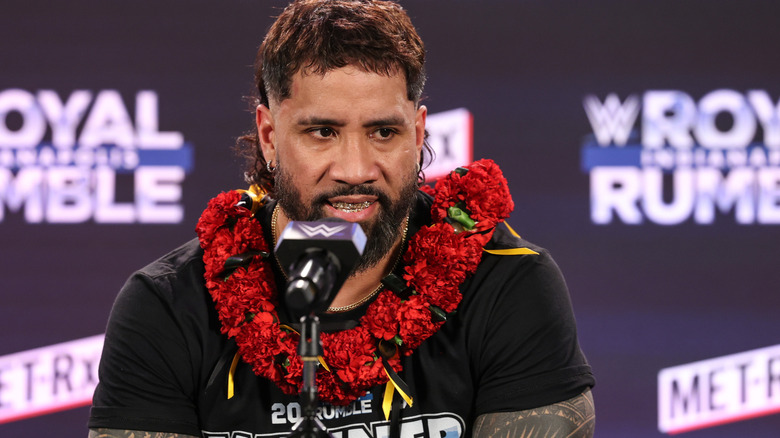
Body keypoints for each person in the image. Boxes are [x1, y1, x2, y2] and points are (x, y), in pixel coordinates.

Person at [88, 1, 595, 437]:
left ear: (418, 134)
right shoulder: (169, 307)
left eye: (383, 133)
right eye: (323, 132)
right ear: (268, 136)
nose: (355, 170)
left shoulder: (507, 285)